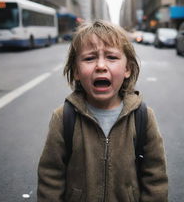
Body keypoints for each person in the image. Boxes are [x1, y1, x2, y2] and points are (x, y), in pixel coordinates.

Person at [37, 20, 168, 201]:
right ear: (76, 71)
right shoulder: (64, 117)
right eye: (89, 58)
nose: (100, 66)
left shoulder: (143, 116)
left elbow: (155, 178)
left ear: (127, 69)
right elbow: (50, 176)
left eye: (111, 57)